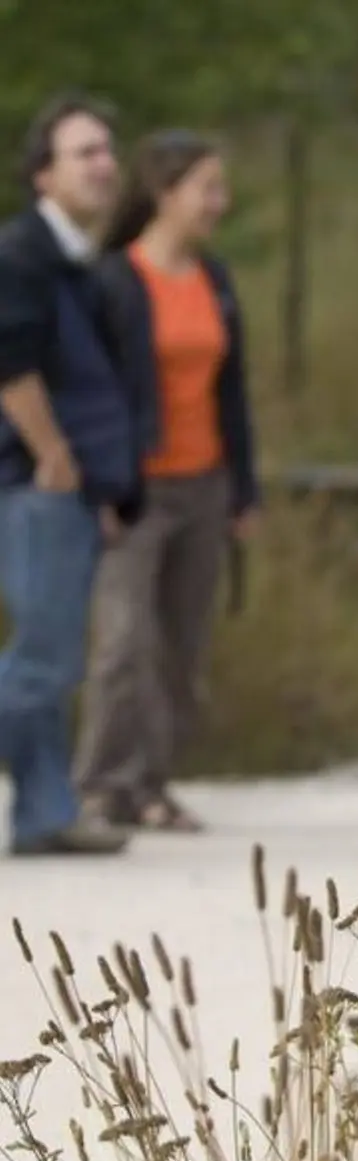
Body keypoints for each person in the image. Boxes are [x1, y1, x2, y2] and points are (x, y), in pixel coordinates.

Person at [73, 129, 260, 832]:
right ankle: (100, 782)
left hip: (204, 480)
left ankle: (152, 784)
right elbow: (90, 392)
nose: (220, 202)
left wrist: (245, 489)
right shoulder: (115, 282)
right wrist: (99, 484)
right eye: (207, 187)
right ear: (164, 192)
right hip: (134, 488)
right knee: (123, 642)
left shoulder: (214, 282)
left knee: (182, 646)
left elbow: (232, 391)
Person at [0, 93, 143, 856]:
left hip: (74, 489)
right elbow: (10, 362)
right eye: (83, 151)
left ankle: (44, 815)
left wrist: (104, 490)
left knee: (54, 663)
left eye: (107, 150)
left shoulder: (79, 264)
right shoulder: (23, 253)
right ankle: (46, 810)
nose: (103, 164)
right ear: (41, 174)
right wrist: (52, 455)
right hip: (34, 483)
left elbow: (94, 383)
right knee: (42, 658)